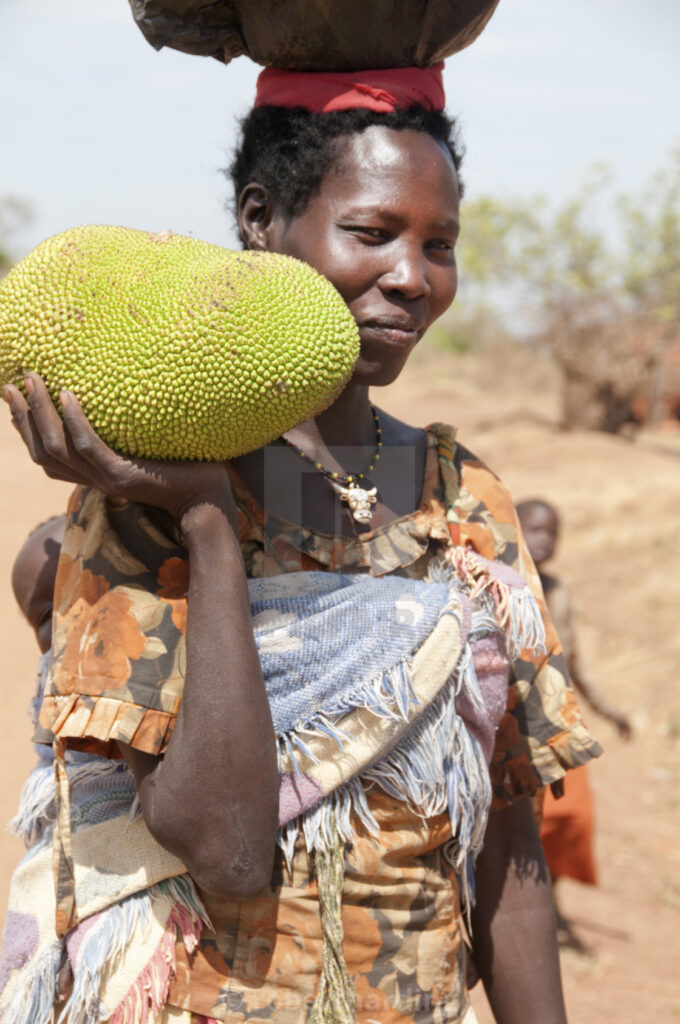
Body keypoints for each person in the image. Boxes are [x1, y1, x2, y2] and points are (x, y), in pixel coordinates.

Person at [2, 65, 602, 1024]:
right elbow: (226, 842)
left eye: (438, 244)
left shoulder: (465, 499)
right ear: (259, 220)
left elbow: (508, 838)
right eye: (372, 233)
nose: (411, 276)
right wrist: (206, 523)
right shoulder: (148, 497)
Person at [516, 498, 632, 949]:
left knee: (571, 819)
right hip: (513, 721)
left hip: (559, 720)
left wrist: (610, 710)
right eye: (534, 529)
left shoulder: (560, 591)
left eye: (552, 532)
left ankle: (548, 901)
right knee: (520, 819)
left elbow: (576, 663)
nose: (543, 540)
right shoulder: (497, 583)